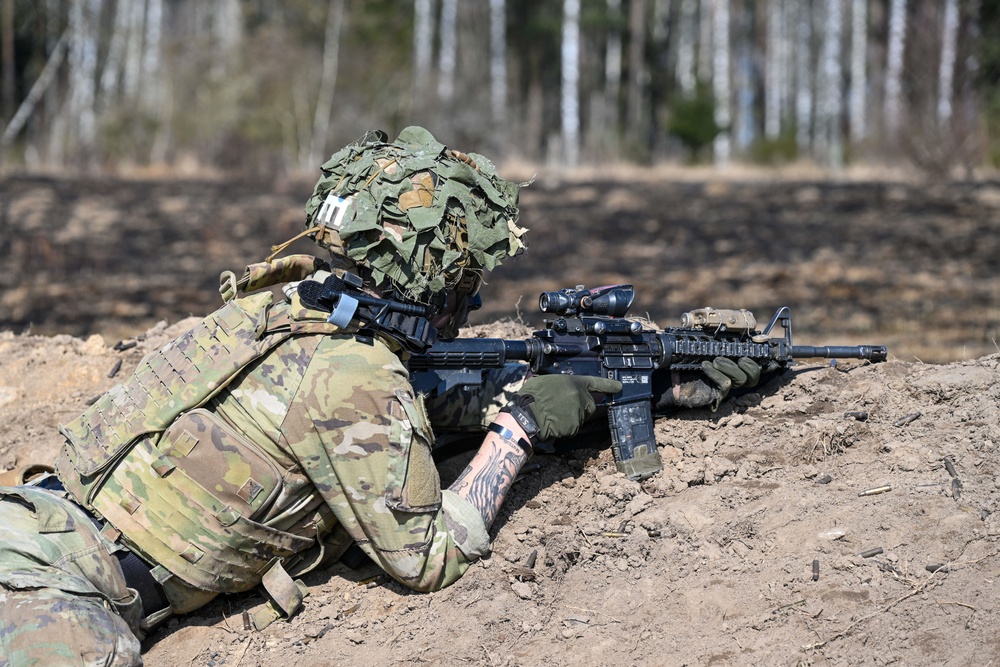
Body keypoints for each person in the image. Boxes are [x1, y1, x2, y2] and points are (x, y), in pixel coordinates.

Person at [0, 126, 759, 667]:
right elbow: (427, 557)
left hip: (32, 529)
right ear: (441, 281)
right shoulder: (353, 374)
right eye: (469, 283)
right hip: (57, 590)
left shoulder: (289, 303)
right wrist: (520, 426)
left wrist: (647, 385)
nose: (473, 298)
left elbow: (413, 403)